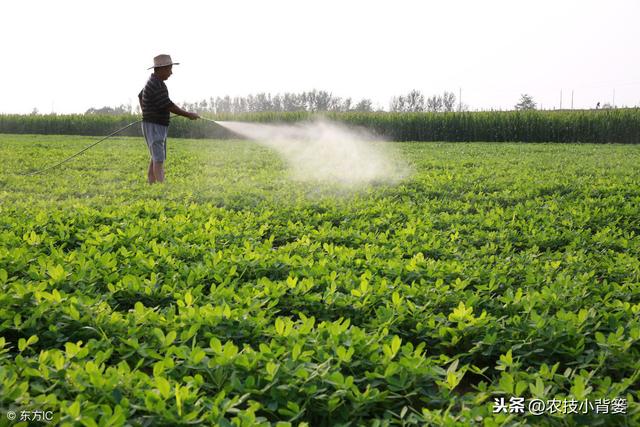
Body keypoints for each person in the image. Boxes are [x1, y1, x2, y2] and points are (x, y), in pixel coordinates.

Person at [138, 54, 199, 184]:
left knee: (155, 157)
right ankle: (161, 188)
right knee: (158, 159)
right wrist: (188, 114)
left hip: (155, 124)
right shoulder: (155, 84)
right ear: (160, 69)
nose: (171, 73)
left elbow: (140, 95)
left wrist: (147, 113)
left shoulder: (154, 81)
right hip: (154, 125)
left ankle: (151, 184)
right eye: (169, 69)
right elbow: (168, 105)